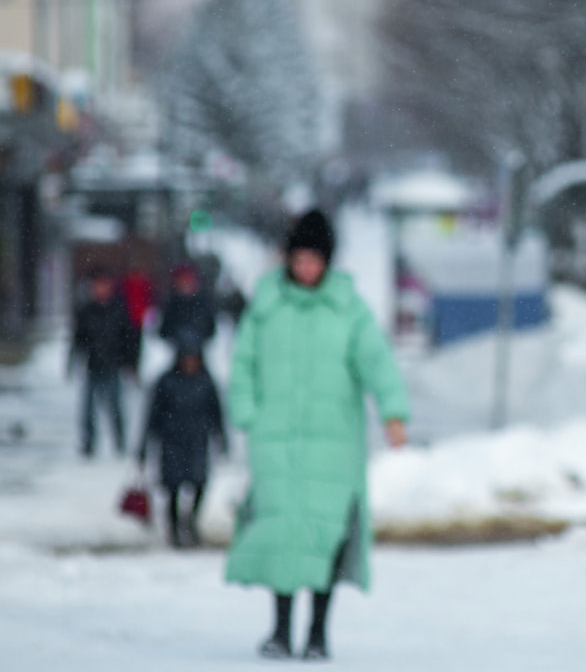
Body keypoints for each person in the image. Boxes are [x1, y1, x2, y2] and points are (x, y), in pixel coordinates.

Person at [224, 209, 410, 661]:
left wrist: (393, 411)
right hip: (276, 442)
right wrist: (246, 412)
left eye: (315, 260)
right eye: (300, 259)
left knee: (325, 536)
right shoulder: (266, 306)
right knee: (282, 535)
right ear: (288, 258)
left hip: (334, 446)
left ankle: (318, 633)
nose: (307, 269)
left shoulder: (348, 309)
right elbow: (243, 363)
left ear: (328, 261)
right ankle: (281, 629)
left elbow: (377, 361)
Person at [137, 338, 228, 549]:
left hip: (197, 441)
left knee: (199, 483)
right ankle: (174, 526)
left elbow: (216, 412)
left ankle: (191, 520)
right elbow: (152, 416)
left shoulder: (206, 381)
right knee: (172, 487)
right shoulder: (166, 382)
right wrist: (143, 446)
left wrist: (221, 437)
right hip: (172, 442)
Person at [68, 267, 136, 458]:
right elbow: (78, 337)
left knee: (115, 405)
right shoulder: (86, 311)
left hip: (113, 364)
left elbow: (129, 338)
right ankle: (88, 442)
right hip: (93, 364)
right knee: (88, 408)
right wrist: (72, 360)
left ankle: (119, 439)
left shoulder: (118, 310)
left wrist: (130, 362)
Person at [158, 262, 216, 353]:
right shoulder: (171, 305)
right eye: (183, 280)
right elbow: (163, 333)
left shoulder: (203, 305)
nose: (186, 284)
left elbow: (211, 330)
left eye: (189, 280)